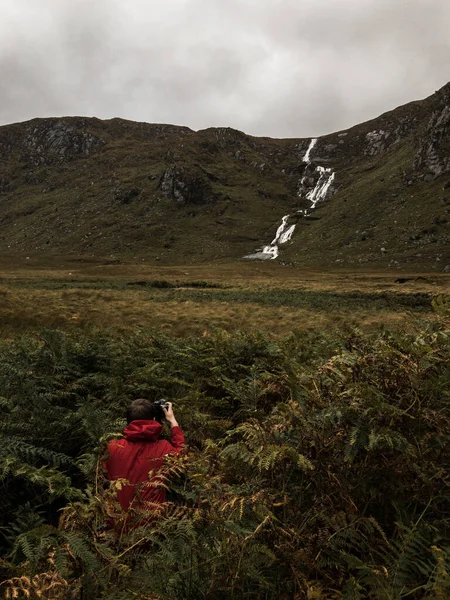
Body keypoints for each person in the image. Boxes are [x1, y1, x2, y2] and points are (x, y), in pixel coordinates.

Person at [104, 398, 185, 518]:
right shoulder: (163, 448)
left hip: (116, 524)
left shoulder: (111, 447)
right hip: (151, 524)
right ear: (153, 420)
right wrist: (172, 421)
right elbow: (182, 456)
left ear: (128, 422)